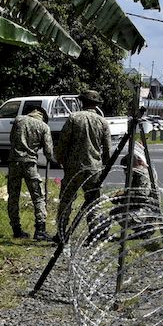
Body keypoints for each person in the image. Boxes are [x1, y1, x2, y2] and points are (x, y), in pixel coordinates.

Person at [55, 89, 112, 241]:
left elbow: (63, 141)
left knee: (66, 201)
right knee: (93, 202)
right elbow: (107, 148)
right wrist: (105, 165)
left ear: (82, 102)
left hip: (73, 167)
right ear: (96, 104)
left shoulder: (74, 118)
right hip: (94, 168)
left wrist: (59, 158)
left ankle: (61, 234)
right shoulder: (102, 121)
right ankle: (94, 233)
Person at [7, 105, 53, 241]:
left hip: (14, 162)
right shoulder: (44, 127)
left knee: (13, 197)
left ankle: (16, 229)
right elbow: (49, 152)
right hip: (30, 164)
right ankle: (40, 230)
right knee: (38, 197)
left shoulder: (18, 120)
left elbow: (11, 139)